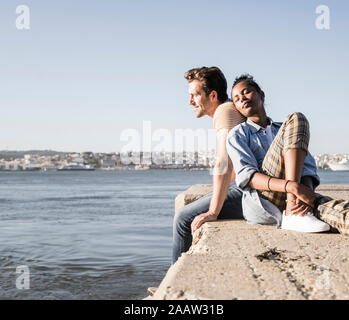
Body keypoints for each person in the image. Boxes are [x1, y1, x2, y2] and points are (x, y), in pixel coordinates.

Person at [226, 74, 347, 233]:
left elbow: (307, 167)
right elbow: (248, 177)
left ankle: (295, 211)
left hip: (298, 194)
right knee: (297, 118)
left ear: (261, 94)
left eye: (246, 92)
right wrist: (292, 187)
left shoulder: (285, 129)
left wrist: (305, 195)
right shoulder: (238, 134)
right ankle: (292, 210)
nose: (242, 98)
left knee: (342, 213)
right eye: (236, 99)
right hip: (265, 200)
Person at [172, 67, 245, 264]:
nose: (190, 101)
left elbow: (224, 162)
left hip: (248, 192)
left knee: (183, 218)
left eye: (195, 95)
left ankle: (173, 283)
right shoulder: (229, 110)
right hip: (247, 188)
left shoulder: (224, 111)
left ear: (212, 95)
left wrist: (213, 211)